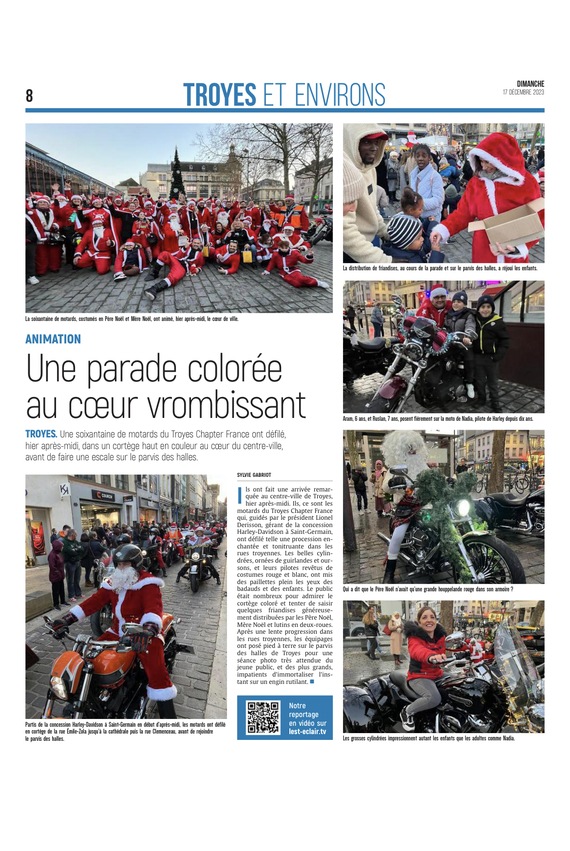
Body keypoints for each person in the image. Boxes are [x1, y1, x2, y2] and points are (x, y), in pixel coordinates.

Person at [51, 544, 177, 718]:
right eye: (118, 564)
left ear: (136, 564)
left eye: (125, 564)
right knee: (90, 657)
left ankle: (168, 717)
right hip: (116, 632)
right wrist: (67, 619)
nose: (121, 568)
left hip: (142, 634)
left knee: (157, 671)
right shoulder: (113, 583)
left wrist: (148, 629)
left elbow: (153, 609)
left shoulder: (148, 583)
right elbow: (94, 602)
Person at [430, 131, 544, 263]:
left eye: (488, 162)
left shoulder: (526, 183)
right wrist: (444, 229)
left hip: (514, 253)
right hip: (484, 251)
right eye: (481, 161)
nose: (484, 166)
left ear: (502, 159)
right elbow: (462, 214)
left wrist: (521, 246)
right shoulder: (476, 183)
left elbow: (539, 217)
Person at [343, 125, 394, 263]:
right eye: (367, 142)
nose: (374, 148)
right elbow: (345, 232)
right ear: (353, 143)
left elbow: (372, 206)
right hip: (354, 251)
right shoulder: (345, 174)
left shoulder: (370, 169)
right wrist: (385, 262)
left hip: (370, 241)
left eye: (377, 142)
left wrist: (385, 231)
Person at [400, 606, 447, 731]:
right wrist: (431, 656)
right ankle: (407, 711)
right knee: (433, 698)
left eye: (432, 617)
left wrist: (478, 646)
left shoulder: (440, 636)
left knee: (460, 684)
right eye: (424, 617)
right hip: (419, 675)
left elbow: (455, 646)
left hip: (437, 673)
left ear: (436, 620)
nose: (429, 620)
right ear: (419, 622)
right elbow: (418, 651)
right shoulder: (414, 637)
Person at [472, 294, 510, 413]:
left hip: (491, 358)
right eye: (482, 307)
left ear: (492, 308)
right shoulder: (474, 320)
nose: (485, 309)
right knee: (479, 381)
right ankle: (481, 399)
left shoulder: (497, 322)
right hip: (478, 357)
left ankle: (495, 402)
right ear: (478, 308)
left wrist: (498, 355)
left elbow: (505, 340)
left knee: (492, 382)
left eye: (488, 306)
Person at [444, 290, 476, 399]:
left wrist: (467, 336)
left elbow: (470, 326)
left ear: (464, 303)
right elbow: (445, 327)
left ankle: (470, 383)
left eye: (459, 301)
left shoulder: (468, 314)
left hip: (464, 345)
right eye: (454, 301)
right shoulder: (448, 314)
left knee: (469, 362)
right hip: (452, 344)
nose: (456, 304)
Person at [62, 528, 83, 602]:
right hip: (70, 563)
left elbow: (81, 549)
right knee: (70, 580)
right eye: (75, 535)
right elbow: (69, 551)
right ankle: (71, 595)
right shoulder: (65, 542)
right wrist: (76, 550)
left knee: (77, 578)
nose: (76, 536)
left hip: (77, 562)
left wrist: (76, 551)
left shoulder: (76, 542)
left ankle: (78, 593)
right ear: (72, 535)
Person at [48, 539, 67, 610]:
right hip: (55, 576)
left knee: (61, 589)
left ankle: (63, 601)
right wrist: (58, 573)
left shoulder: (59, 553)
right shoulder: (52, 555)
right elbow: (52, 566)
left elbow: (61, 563)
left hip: (60, 574)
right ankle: (56, 604)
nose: (62, 548)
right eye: (61, 547)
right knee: (56, 590)